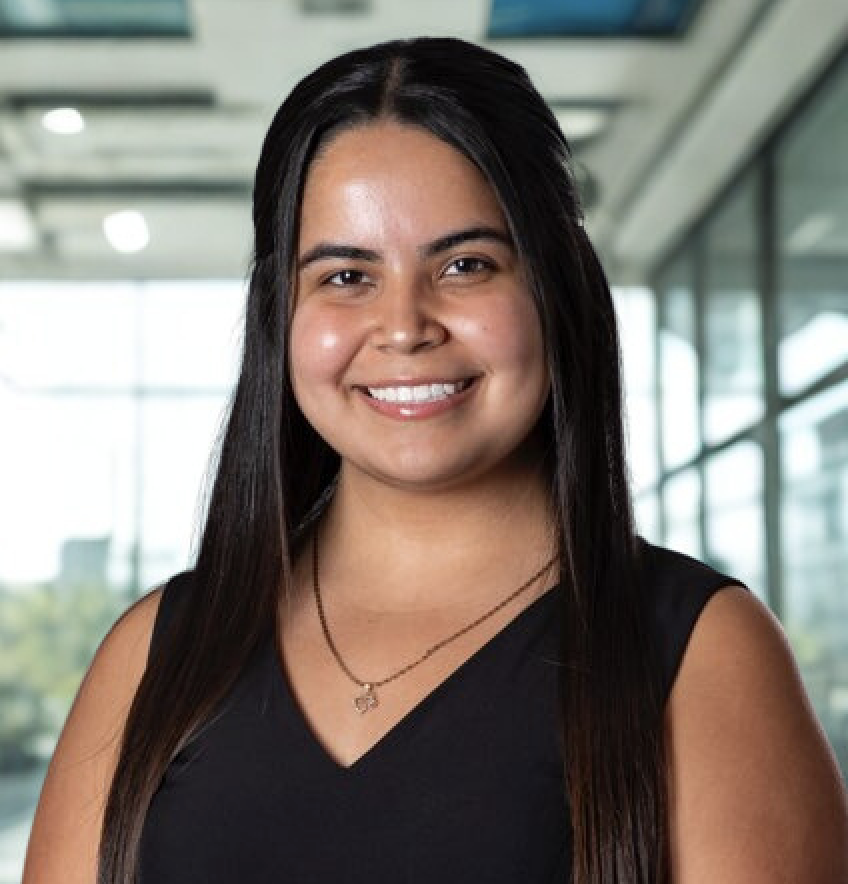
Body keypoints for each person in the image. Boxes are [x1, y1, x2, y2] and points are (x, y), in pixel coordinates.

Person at [23, 36, 848, 884]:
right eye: (346, 276)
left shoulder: (698, 652)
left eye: (465, 265)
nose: (406, 325)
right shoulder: (157, 653)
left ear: (553, 291)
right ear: (283, 316)